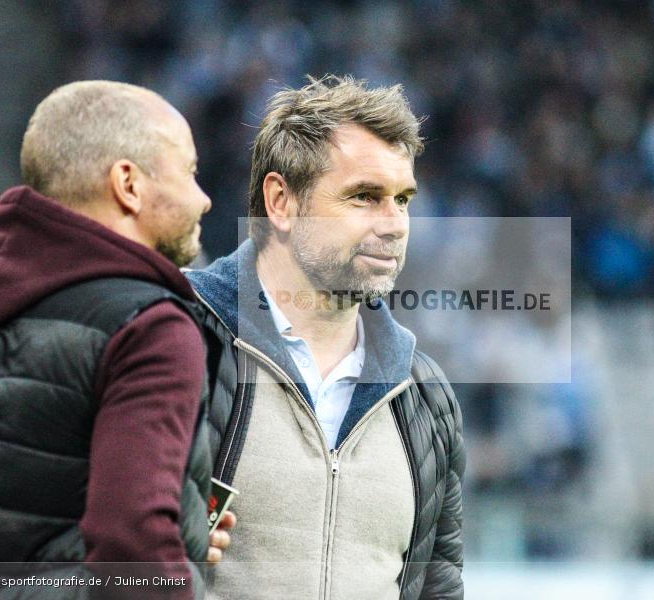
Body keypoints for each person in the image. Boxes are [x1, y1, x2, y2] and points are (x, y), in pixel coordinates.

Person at [186, 75, 465, 599]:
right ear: (281, 202)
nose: (395, 225)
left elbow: (439, 585)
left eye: (402, 200)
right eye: (364, 197)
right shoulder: (177, 341)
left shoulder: (426, 396)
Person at [0, 80, 230, 599]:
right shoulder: (151, 328)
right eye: (190, 171)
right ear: (128, 184)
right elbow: (131, 544)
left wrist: (186, 527)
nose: (205, 197)